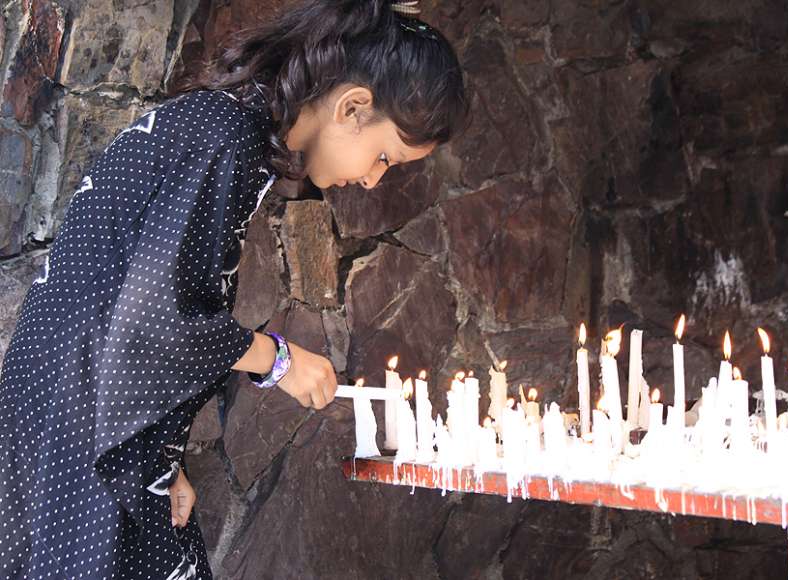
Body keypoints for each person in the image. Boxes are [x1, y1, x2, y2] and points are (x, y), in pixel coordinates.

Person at [0, 0, 469, 577]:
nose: (373, 179)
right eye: (384, 157)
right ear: (352, 107)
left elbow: (131, 311)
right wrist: (277, 360)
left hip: (79, 429)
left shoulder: (222, 126)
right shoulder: (229, 140)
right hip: (76, 445)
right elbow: (155, 319)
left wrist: (163, 458)